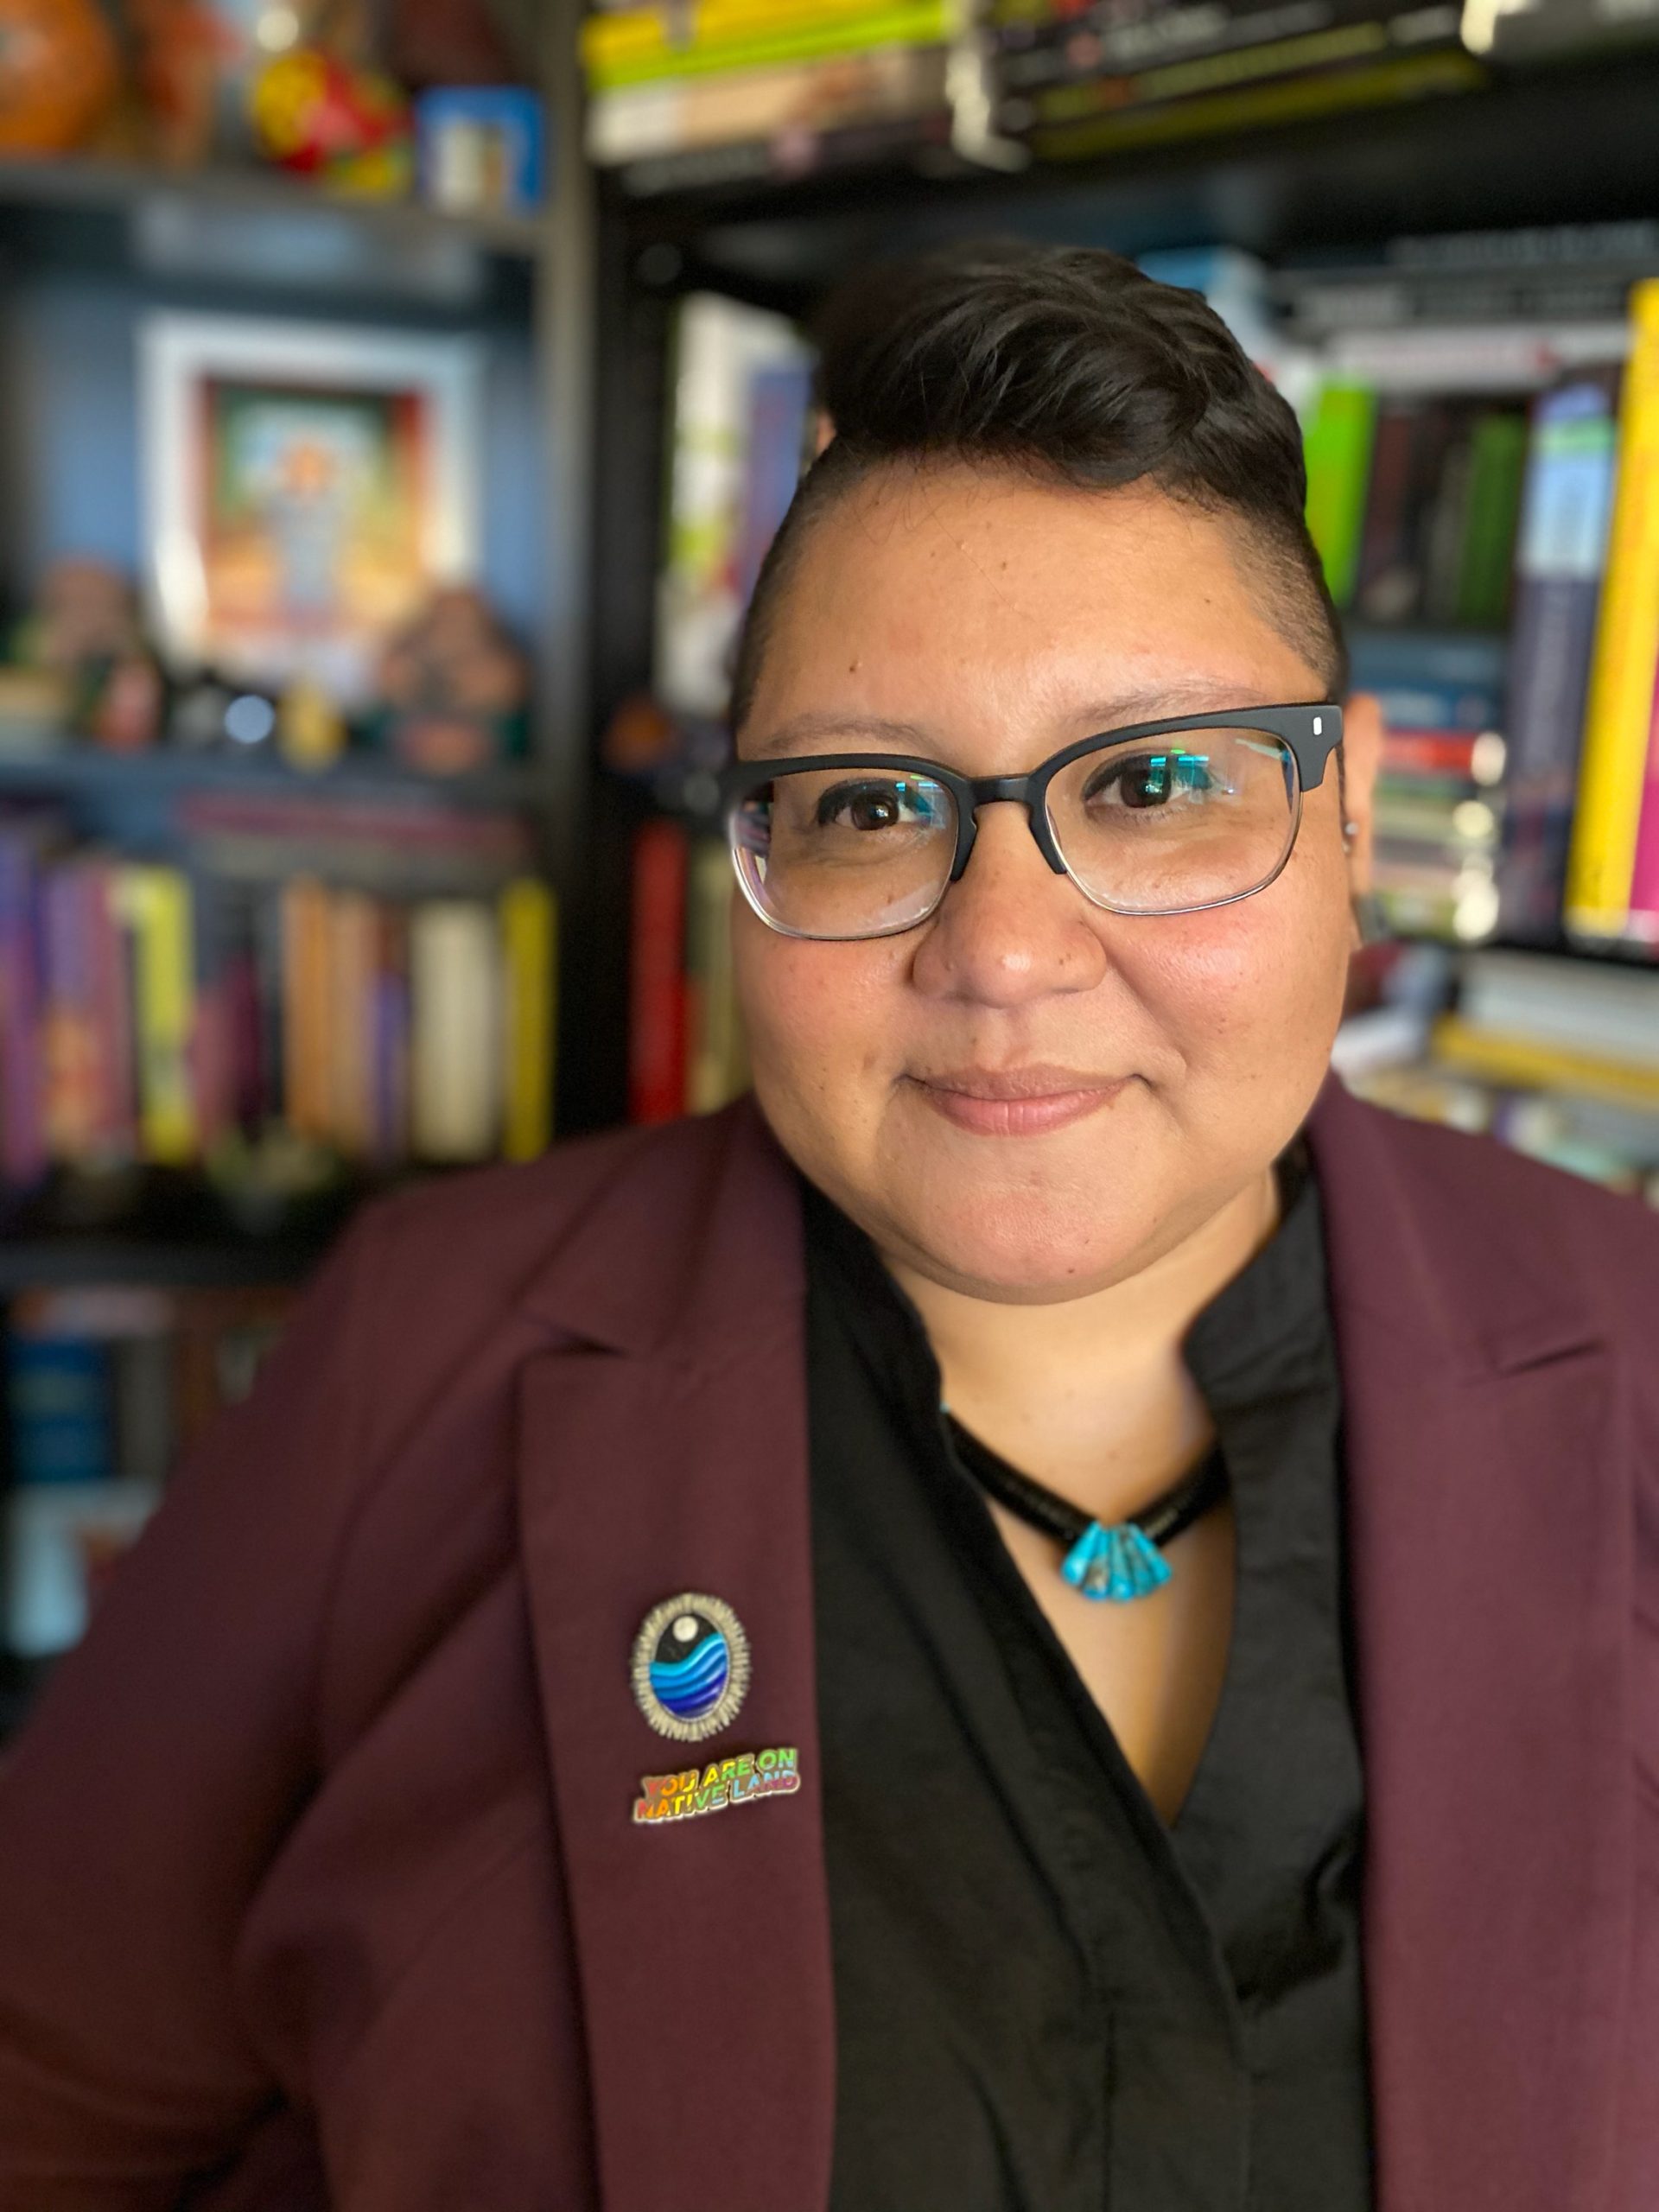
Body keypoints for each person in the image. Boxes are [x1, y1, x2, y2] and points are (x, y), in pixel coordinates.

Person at [0, 243, 1654, 2212]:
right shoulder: (417, 1357)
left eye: (1152, 782)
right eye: (870, 806)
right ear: (746, 852)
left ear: (1354, 813)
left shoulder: (1630, 1354)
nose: (1007, 951)